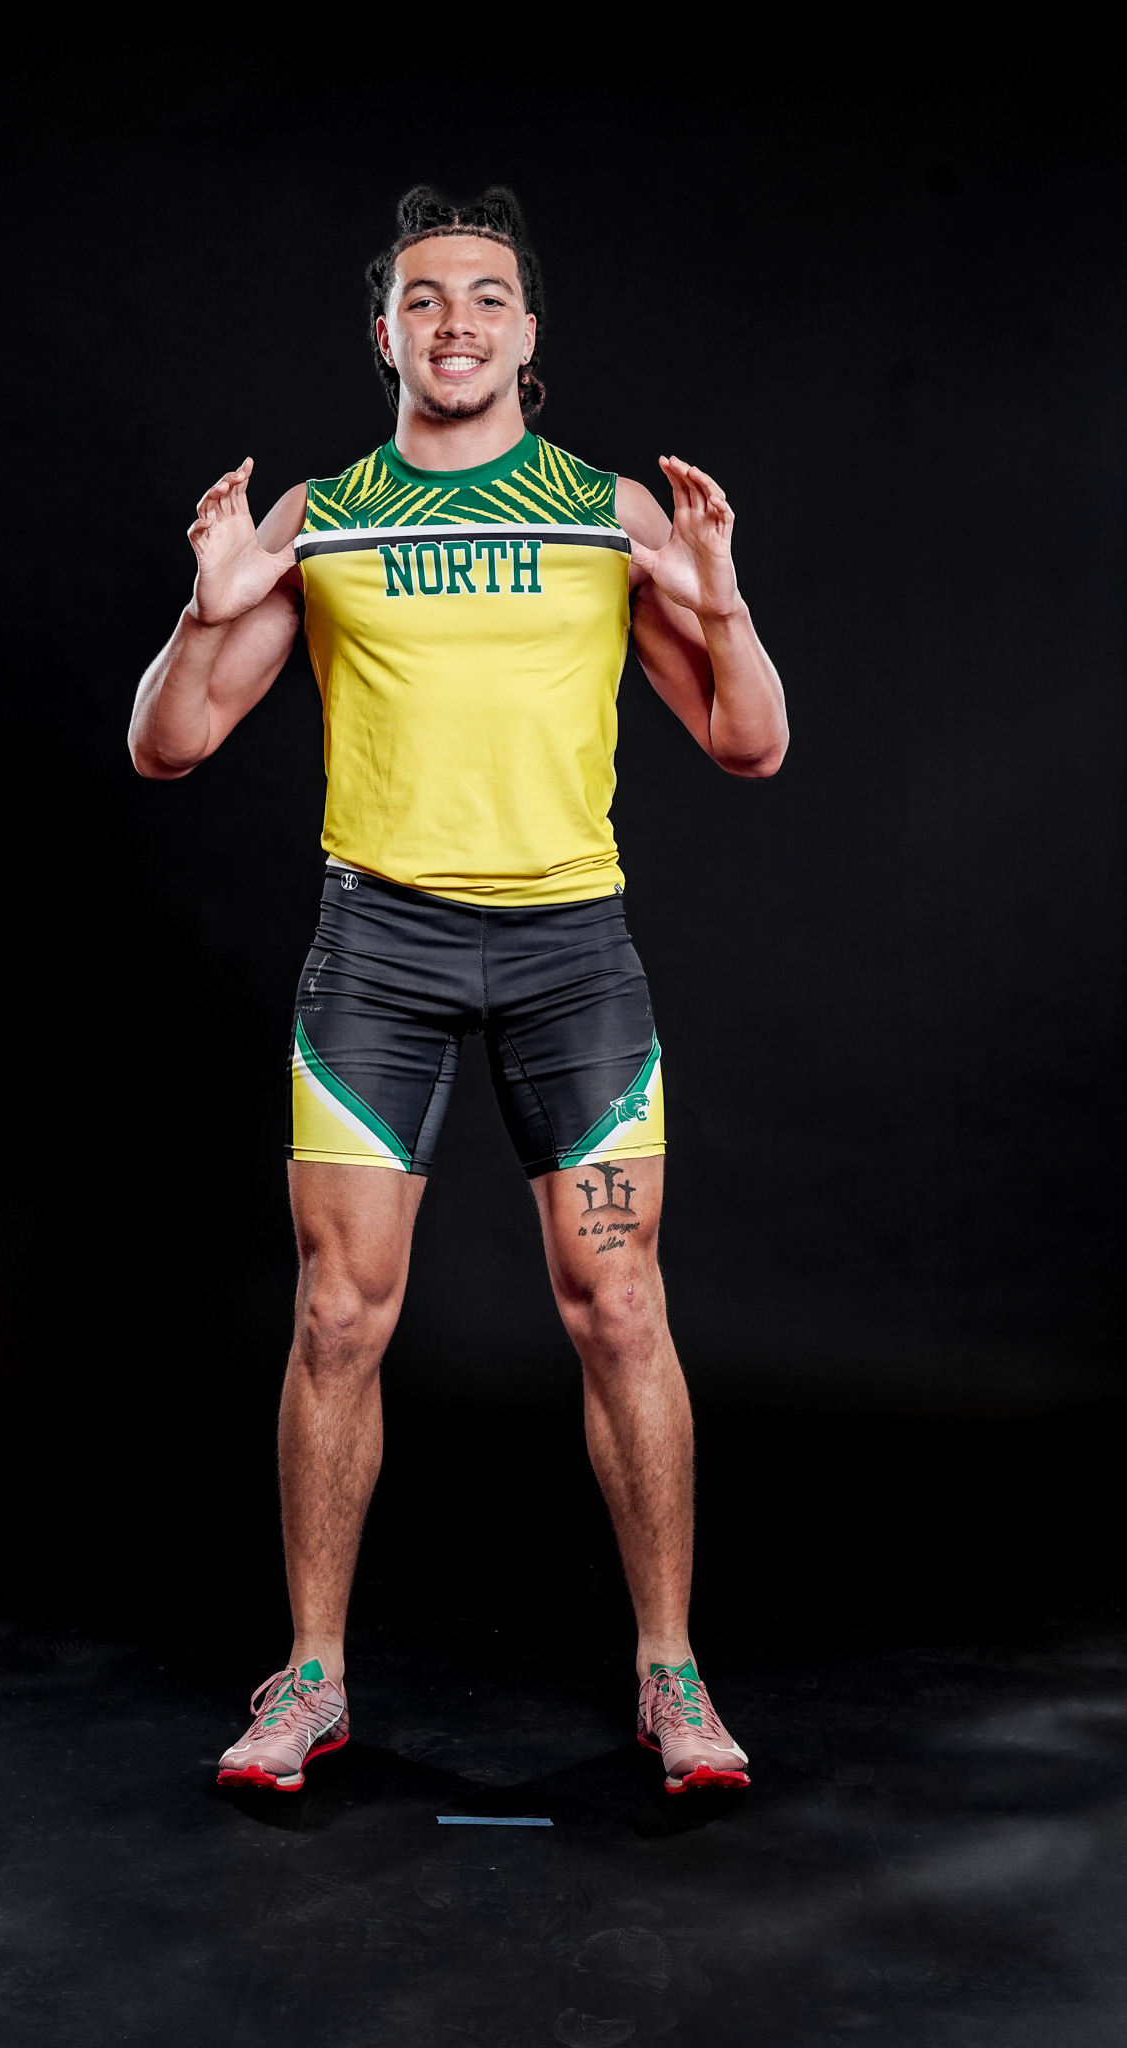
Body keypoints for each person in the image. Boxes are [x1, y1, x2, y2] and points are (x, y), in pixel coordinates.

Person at [128, 186, 788, 1799]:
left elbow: (750, 741)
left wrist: (719, 596)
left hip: (571, 953)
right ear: (384, 333)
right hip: (381, 952)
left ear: (526, 332)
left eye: (485, 296)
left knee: (618, 1306)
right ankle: (310, 1679)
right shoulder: (326, 516)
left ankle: (670, 1674)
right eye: (424, 298)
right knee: (337, 1314)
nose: (455, 323)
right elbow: (168, 742)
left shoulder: (602, 512)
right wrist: (205, 608)